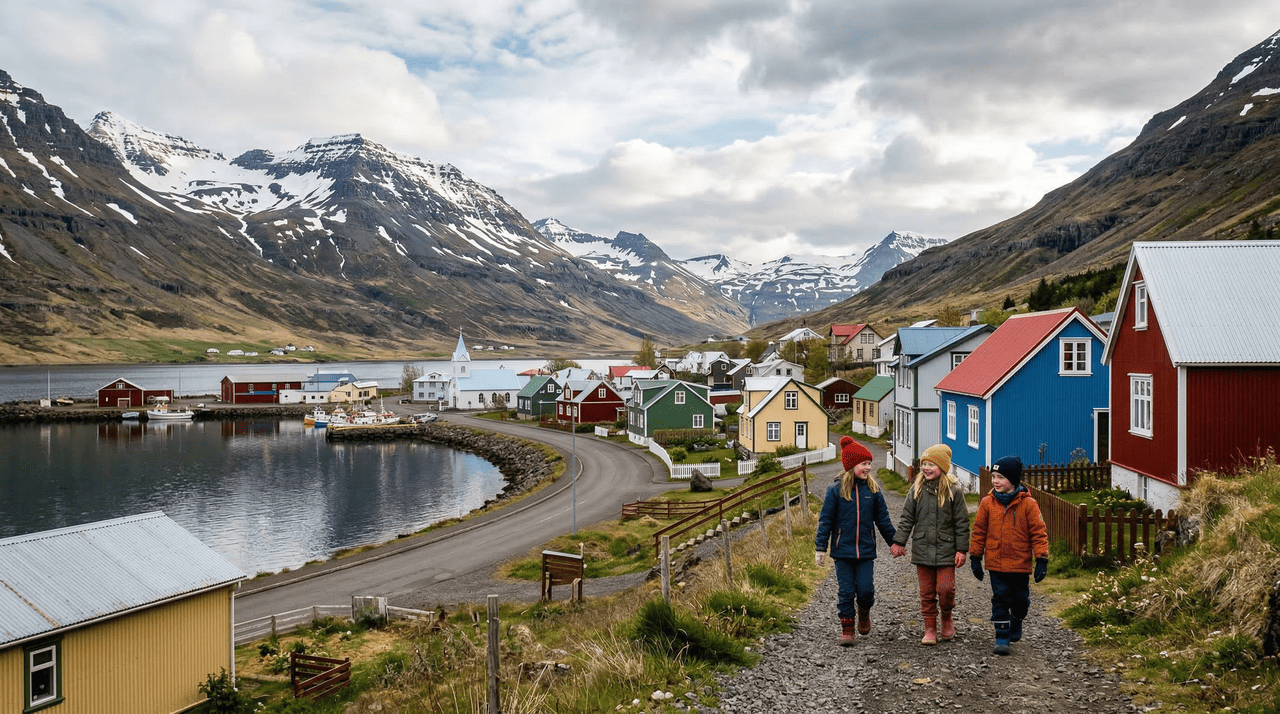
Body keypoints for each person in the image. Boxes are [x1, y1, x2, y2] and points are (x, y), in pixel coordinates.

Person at [815, 436, 896, 646]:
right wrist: (820, 548)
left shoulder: (874, 491)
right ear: (851, 465)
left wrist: (895, 543)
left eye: (869, 463)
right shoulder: (835, 491)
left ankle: (864, 611)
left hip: (865, 552)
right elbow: (825, 521)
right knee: (845, 591)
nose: (868, 468)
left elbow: (884, 521)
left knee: (866, 590)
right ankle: (847, 629)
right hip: (842, 552)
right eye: (864, 464)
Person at [889, 443, 969, 645]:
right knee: (926, 592)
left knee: (946, 590)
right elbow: (907, 518)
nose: (926, 468)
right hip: (922, 548)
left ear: (942, 467)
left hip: (946, 549)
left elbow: (961, 522)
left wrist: (961, 550)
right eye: (923, 464)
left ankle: (947, 616)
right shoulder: (916, 489)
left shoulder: (954, 491)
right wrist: (899, 542)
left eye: (931, 464)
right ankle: (930, 628)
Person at [969, 455, 1050, 655]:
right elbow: (979, 531)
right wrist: (975, 558)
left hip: (1020, 563)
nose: (995, 481)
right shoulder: (987, 503)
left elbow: (1039, 533)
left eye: (1000, 477)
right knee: (1000, 598)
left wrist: (1041, 559)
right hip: (996, 563)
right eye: (993, 476)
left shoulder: (1029, 504)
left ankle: (1017, 619)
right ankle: (1002, 637)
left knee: (1022, 601)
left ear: (1013, 480)